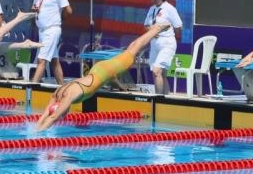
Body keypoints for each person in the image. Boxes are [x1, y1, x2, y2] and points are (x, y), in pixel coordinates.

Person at [35, 21, 171, 132]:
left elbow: (53, 117)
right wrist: (36, 128)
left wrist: (37, 134)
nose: (63, 115)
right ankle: (154, 30)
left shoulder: (67, 96)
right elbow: (46, 116)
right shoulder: (57, 93)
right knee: (131, 49)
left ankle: (156, 29)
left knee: (133, 50)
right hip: (98, 70)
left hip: (104, 70)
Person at [30, 0, 72, 84]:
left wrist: (60, 19)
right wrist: (35, 10)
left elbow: (68, 10)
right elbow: (35, 8)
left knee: (41, 60)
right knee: (54, 61)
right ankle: (62, 87)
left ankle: (31, 89)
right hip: (42, 31)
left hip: (52, 30)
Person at [143, 0, 183, 95]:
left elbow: (178, 26)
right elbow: (146, 26)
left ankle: (158, 100)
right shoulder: (152, 9)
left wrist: (168, 36)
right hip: (154, 44)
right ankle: (166, 99)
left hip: (166, 43)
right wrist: (153, 31)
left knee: (157, 71)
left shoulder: (170, 9)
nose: (152, 0)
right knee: (160, 74)